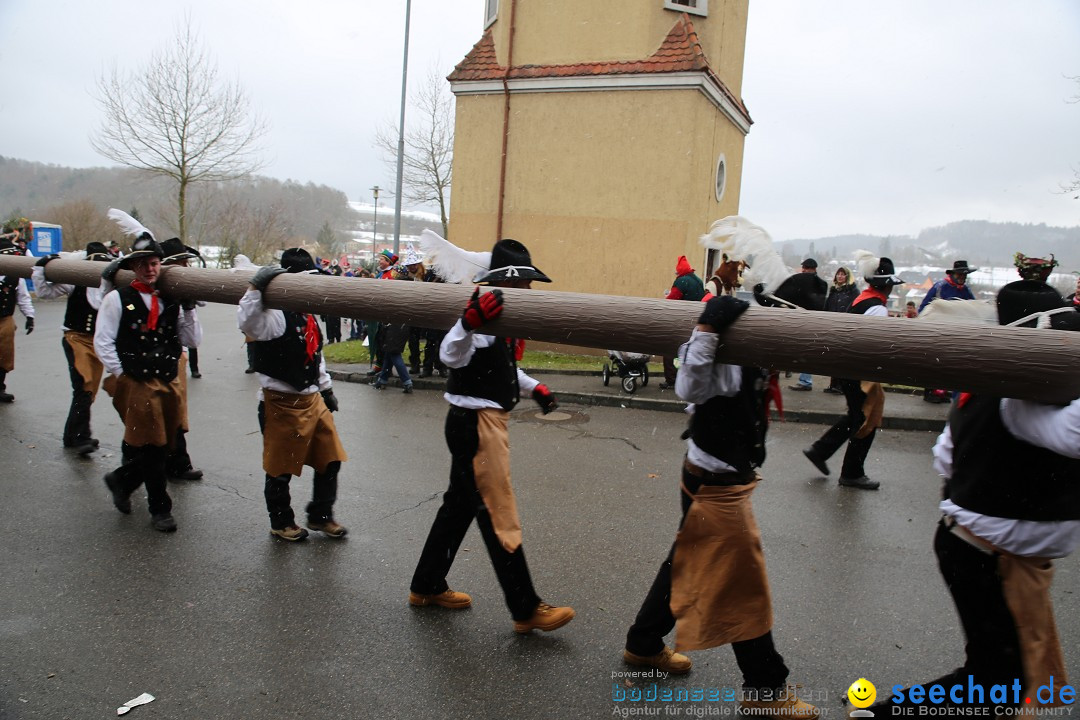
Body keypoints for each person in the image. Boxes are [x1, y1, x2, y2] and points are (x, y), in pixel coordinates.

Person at [869, 280, 1080, 715]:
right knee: (994, 683)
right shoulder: (1019, 397)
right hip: (986, 557)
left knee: (999, 680)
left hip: (984, 551)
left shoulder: (998, 383)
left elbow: (945, 458)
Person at [622, 295, 819, 719]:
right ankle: (765, 690)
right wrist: (708, 329)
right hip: (714, 485)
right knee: (742, 586)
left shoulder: (750, 353)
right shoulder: (724, 350)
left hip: (718, 477)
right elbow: (689, 388)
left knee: (685, 561)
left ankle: (643, 642)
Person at [409, 238, 574, 634]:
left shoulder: (500, 317)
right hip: (476, 425)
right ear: (509, 284)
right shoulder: (483, 311)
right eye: (525, 286)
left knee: (458, 508)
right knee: (497, 513)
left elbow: (498, 367)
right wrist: (469, 322)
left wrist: (534, 387)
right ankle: (525, 607)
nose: (530, 293)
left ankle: (426, 584)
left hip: (477, 421)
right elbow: (450, 354)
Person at [95, 222, 202, 533]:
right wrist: (122, 375)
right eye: (142, 264)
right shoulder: (118, 298)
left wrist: (189, 309)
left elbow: (192, 340)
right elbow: (103, 340)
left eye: (153, 263)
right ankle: (159, 510)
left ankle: (122, 480)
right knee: (154, 447)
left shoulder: (170, 300)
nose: (149, 269)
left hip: (167, 378)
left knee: (165, 444)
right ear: (132, 267)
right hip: (137, 381)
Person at [238, 248, 348, 542]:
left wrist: (326, 389)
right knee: (280, 469)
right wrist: (255, 287)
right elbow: (246, 322)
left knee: (330, 459)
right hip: (280, 402)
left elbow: (315, 355)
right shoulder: (272, 315)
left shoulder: (307, 314)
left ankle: (320, 516)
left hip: (313, 398)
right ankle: (281, 521)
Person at [801, 255, 903, 490]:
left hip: (849, 367)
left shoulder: (862, 300)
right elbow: (874, 345)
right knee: (867, 418)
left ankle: (821, 451)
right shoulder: (876, 308)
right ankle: (851, 472)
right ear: (886, 285)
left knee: (857, 416)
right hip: (860, 370)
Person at [31, 243, 111, 453]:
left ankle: (71, 435)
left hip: (97, 342)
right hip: (75, 338)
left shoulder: (110, 287)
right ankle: (81, 436)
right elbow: (44, 292)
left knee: (89, 390)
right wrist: (40, 269)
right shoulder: (75, 282)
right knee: (83, 387)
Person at [158, 238, 205, 481]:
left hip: (172, 360)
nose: (187, 269)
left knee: (176, 415)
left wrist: (188, 308)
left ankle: (178, 463)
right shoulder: (140, 296)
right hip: (145, 366)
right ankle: (127, 476)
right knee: (149, 422)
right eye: (182, 263)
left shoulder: (177, 297)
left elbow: (193, 340)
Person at [661, 255, 706, 390]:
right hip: (695, 321)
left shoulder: (681, 281)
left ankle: (671, 380)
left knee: (669, 350)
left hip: (679, 320)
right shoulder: (698, 281)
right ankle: (689, 380)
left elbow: (672, 299)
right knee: (689, 352)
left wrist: (666, 297)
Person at [0, 237, 36, 403]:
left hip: (5, 318)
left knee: (5, 354)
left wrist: (30, 316)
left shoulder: (15, 276)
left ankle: (0, 387)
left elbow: (23, 296)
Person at [370, 270, 415, 393]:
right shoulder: (409, 288)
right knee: (389, 353)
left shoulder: (398, 289)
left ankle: (407, 382)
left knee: (394, 354)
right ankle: (382, 380)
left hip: (395, 325)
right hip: (403, 325)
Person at [788, 259, 827, 392]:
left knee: (806, 351)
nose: (803, 270)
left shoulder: (821, 284)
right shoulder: (798, 281)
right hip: (799, 320)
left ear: (813, 269)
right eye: (803, 267)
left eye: (806, 268)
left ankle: (805, 381)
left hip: (811, 322)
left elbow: (817, 303)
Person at [822, 266, 859, 393]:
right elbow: (827, 308)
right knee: (833, 358)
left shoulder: (853, 291)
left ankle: (842, 385)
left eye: (843, 274)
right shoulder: (833, 291)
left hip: (845, 328)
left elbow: (855, 309)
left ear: (847, 277)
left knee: (842, 358)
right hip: (832, 327)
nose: (840, 276)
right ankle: (834, 384)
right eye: (838, 274)